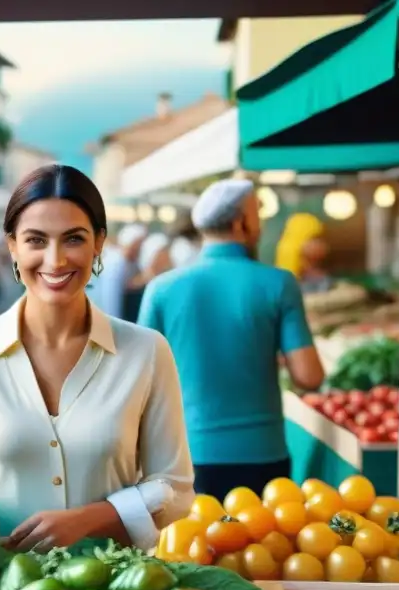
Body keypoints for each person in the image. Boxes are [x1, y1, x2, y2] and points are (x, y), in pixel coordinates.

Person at [0, 164, 194, 553]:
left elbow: (176, 490)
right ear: (12, 245)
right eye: (36, 240)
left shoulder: (147, 352)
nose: (55, 260)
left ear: (99, 243)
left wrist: (88, 519)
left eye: (73, 239)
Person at [138, 178, 324, 500]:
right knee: (262, 549)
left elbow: (141, 378)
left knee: (191, 548)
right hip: (263, 455)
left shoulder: (161, 289)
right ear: (242, 223)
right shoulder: (279, 283)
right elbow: (309, 377)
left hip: (185, 456)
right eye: (258, 217)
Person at [92, 223, 146, 319]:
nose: (140, 249)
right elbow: (111, 299)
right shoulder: (116, 263)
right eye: (138, 245)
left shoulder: (131, 262)